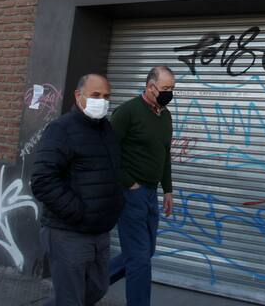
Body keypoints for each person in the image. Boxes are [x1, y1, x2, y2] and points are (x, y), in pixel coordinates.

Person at [31, 74, 124, 306]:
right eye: (95, 95)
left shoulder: (107, 130)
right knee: (71, 298)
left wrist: (114, 205)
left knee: (98, 287)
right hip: (68, 232)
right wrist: (78, 212)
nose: (101, 101)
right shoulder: (60, 129)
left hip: (99, 232)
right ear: (78, 95)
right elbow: (43, 181)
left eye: (106, 96)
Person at [109, 66, 175, 306]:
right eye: (165, 88)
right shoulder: (127, 112)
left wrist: (167, 189)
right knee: (139, 260)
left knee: (143, 252)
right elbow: (108, 151)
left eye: (172, 89)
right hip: (130, 194)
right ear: (150, 87)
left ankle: (89, 284)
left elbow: (165, 154)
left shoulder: (165, 115)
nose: (170, 93)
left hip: (151, 193)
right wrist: (129, 183)